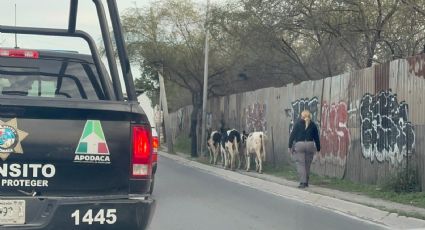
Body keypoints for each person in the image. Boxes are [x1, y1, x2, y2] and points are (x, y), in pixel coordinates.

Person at [288, 110, 320, 188]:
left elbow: (292, 136)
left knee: (301, 164)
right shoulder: (313, 125)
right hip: (310, 145)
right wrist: (318, 149)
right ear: (309, 116)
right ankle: (306, 182)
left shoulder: (297, 124)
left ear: (302, 116)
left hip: (300, 145)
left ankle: (303, 182)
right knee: (307, 165)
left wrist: (289, 146)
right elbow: (316, 138)